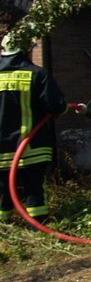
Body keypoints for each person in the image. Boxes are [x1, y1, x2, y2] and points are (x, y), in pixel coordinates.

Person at [0, 32, 70, 222]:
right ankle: (37, 226)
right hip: (31, 146)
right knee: (34, 190)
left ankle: (4, 227)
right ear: (25, 51)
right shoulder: (37, 75)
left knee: (3, 189)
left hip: (1, 148)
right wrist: (66, 109)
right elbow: (56, 106)